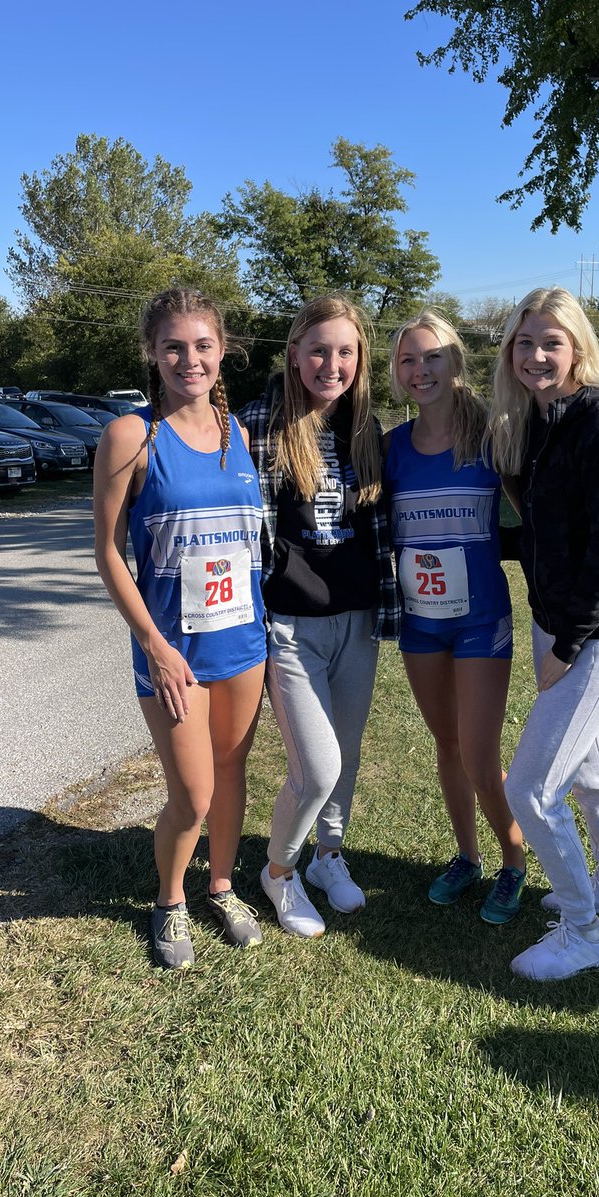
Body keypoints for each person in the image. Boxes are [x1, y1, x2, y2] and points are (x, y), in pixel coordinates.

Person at [94, 287, 267, 969]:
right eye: (174, 347)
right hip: (174, 655)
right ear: (152, 354)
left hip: (243, 642)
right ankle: (170, 902)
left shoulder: (240, 435)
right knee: (191, 795)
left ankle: (222, 887)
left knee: (230, 774)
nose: (188, 359)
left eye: (202, 345)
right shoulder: (130, 435)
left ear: (223, 352)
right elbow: (107, 551)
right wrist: (155, 647)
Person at [491, 286, 599, 981]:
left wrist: (565, 648)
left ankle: (587, 932)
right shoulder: (540, 422)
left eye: (550, 342)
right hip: (555, 621)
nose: (535, 355)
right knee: (591, 776)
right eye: (524, 343)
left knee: (531, 788)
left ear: (578, 347)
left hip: (598, 634)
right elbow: (545, 533)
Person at [238, 294, 400, 938]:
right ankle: (279, 873)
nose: (331, 364)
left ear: (359, 359)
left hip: (357, 619)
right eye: (318, 350)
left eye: (345, 352)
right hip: (289, 626)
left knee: (349, 754)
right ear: (294, 353)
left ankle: (329, 856)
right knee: (318, 766)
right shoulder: (258, 421)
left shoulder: (365, 428)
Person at [383, 308, 527, 924]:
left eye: (433, 356)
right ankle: (466, 856)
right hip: (420, 620)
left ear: (456, 362)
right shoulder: (389, 447)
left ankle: (513, 858)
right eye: (408, 360)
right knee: (445, 745)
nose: (421, 370)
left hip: (480, 619)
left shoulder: (493, 435)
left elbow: (543, 507)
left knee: (476, 750)